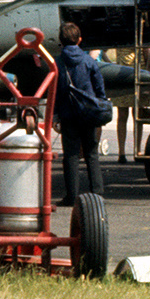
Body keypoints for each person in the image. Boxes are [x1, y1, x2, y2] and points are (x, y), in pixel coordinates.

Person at [54, 23, 110, 204]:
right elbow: (100, 89)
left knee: (70, 155)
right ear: (80, 40)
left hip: (68, 114)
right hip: (89, 114)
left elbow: (55, 91)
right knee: (91, 154)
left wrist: (56, 115)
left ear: (60, 41)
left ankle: (71, 196)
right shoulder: (89, 62)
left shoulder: (58, 62)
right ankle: (97, 192)